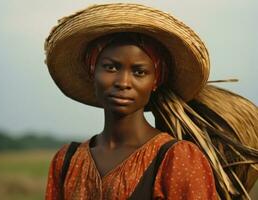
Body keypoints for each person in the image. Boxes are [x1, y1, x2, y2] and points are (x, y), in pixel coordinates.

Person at [44, 3, 258, 200]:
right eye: (111, 67)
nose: (123, 82)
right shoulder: (67, 161)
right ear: (92, 72)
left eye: (139, 72)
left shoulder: (177, 158)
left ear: (155, 81)